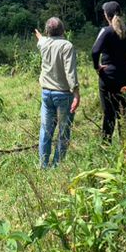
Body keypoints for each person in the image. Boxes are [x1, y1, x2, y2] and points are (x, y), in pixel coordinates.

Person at [89, 1, 126, 140]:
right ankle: (125, 145)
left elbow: (94, 51)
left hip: (109, 76)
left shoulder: (106, 31)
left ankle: (106, 145)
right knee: (124, 111)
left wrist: (96, 67)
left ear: (106, 16)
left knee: (109, 112)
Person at [34, 17, 79, 168]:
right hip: (64, 95)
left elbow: (41, 40)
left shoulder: (44, 44)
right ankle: (56, 166)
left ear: (47, 31)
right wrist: (76, 93)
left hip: (46, 94)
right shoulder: (67, 46)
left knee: (46, 131)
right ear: (63, 30)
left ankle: (43, 165)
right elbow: (70, 72)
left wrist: (40, 36)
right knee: (63, 132)